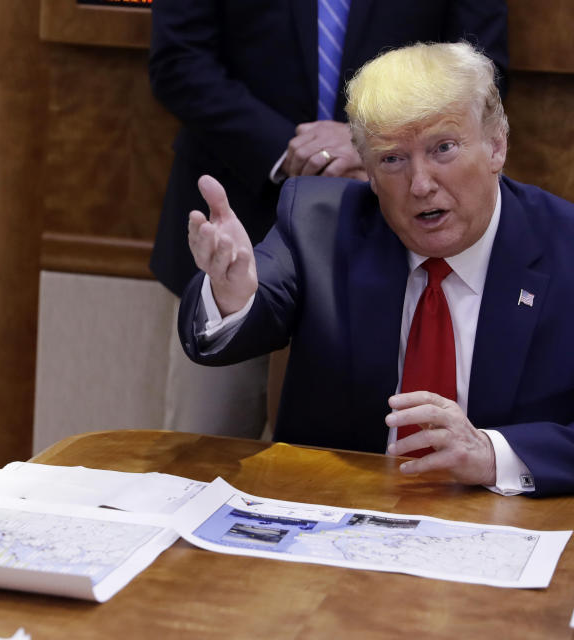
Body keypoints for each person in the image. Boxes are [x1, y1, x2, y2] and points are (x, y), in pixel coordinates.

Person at [179, 41, 574, 497]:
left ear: (496, 147)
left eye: (443, 148)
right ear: (366, 168)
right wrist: (231, 293)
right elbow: (238, 319)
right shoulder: (318, 226)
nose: (421, 184)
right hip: (337, 516)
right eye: (392, 159)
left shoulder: (563, 248)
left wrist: (492, 455)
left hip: (507, 527)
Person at [149, 0, 508, 439]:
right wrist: (293, 151)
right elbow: (179, 59)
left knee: (365, 451)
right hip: (239, 206)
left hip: (393, 225)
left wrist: (376, 148)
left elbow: (479, 68)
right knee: (202, 454)